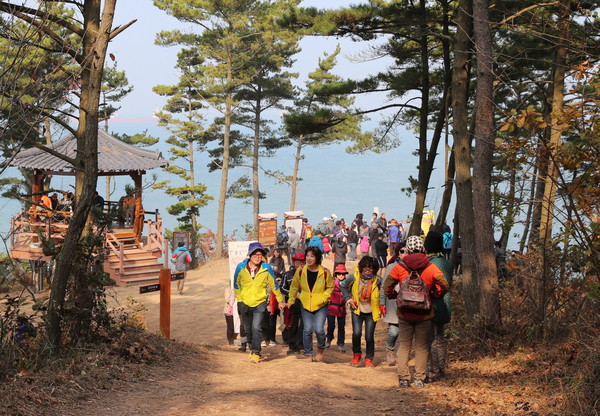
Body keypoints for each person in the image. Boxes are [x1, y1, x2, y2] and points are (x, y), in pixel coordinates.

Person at [383, 235, 449, 389]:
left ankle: (404, 378)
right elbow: (444, 284)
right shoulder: (431, 267)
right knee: (421, 346)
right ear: (423, 249)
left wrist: (394, 295)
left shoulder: (400, 267)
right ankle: (419, 378)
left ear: (408, 249)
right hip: (424, 313)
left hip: (404, 312)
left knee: (404, 345)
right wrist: (435, 295)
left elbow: (387, 287)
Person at [234, 242, 285, 363]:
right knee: (248, 329)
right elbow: (236, 285)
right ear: (250, 255)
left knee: (256, 327)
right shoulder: (240, 267)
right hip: (244, 303)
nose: (258, 256)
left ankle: (256, 352)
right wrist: (240, 300)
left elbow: (274, 285)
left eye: (260, 254)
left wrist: (280, 300)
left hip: (260, 303)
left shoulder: (267, 268)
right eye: (255, 254)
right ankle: (252, 347)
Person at [286, 246, 334, 362]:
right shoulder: (301, 270)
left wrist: (324, 298)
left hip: (321, 305)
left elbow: (330, 287)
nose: (309, 258)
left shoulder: (325, 272)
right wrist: (291, 300)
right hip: (306, 303)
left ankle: (320, 349)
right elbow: (294, 286)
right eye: (307, 256)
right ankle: (308, 353)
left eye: (312, 256)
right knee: (307, 329)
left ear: (317, 258)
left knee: (319, 329)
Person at [341, 256, 383, 367]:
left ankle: (369, 358)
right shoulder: (354, 277)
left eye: (370, 269)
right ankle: (356, 354)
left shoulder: (378, 280)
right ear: (361, 268)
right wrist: (348, 299)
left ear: (375, 269)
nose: (367, 271)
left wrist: (383, 306)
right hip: (357, 311)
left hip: (371, 312)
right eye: (365, 268)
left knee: (369, 337)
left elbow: (383, 293)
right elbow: (343, 285)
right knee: (356, 333)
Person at [424, 231, 453, 381]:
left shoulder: (431, 263)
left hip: (433, 302)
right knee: (440, 337)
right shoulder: (446, 262)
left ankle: (434, 370)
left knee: (431, 338)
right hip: (446, 303)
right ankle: (441, 369)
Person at [380, 242, 407, 366]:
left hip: (409, 304)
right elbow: (384, 286)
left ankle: (402, 355)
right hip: (393, 303)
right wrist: (382, 303)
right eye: (402, 251)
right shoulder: (391, 267)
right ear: (397, 253)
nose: (404, 254)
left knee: (405, 332)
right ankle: (390, 349)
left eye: (407, 251)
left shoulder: (413, 266)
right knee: (394, 331)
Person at [281, 253, 306, 354]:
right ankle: (292, 346)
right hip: (292, 304)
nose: (299, 265)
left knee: (305, 325)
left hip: (305, 303)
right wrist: (293, 294)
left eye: (302, 263)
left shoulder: (308, 274)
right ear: (293, 263)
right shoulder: (287, 275)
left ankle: (302, 345)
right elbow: (282, 288)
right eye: (297, 263)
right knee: (292, 325)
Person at [325, 264, 348, 353]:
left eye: (343, 274)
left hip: (342, 309)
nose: (341, 276)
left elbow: (350, 294)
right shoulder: (331, 282)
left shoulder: (348, 283)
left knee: (341, 327)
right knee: (331, 326)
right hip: (331, 308)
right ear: (335, 275)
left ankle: (341, 344)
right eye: (339, 274)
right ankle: (329, 340)